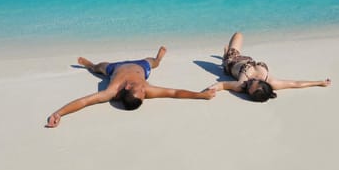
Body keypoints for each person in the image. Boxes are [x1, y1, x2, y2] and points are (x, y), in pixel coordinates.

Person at [46, 46, 215, 128]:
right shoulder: (146, 90)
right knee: (153, 63)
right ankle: (158, 59)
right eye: (143, 91)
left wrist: (58, 113)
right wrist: (201, 95)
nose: (144, 89)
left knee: (99, 68)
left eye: (140, 90)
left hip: (115, 68)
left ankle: (90, 65)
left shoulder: (111, 91)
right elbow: (175, 92)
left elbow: (85, 101)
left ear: (126, 88)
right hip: (141, 66)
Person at [208, 32, 331, 102]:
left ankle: (225, 56)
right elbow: (295, 84)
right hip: (246, 60)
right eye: (253, 83)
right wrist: (319, 82)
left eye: (249, 87)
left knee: (238, 35)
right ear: (263, 83)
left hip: (232, 60)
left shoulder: (241, 85)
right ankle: (225, 54)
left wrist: (211, 89)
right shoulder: (273, 82)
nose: (249, 83)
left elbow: (222, 85)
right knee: (240, 34)